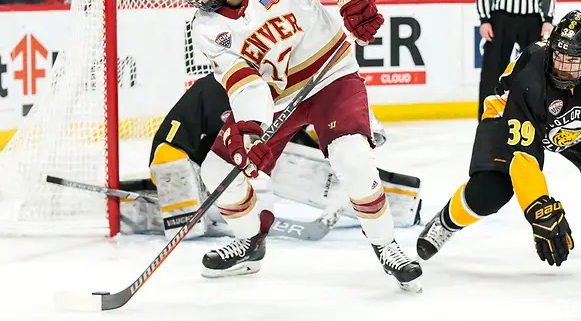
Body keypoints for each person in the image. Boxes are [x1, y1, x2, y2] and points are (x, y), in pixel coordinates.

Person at [172, 0, 423, 291]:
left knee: (351, 158)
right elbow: (243, 81)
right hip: (276, 100)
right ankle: (250, 240)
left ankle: (387, 246)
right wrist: (250, 128)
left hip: (330, 76)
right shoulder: (205, 27)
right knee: (217, 169)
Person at [417, 10, 581, 268]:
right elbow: (524, 156)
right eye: (559, 56)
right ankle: (445, 222)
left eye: (572, 60)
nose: (562, 67)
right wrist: (538, 208)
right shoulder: (531, 74)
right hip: (508, 112)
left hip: (576, 119)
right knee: (490, 191)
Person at [146, 73, 421, 239]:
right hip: (211, 163)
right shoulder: (209, 91)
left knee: (311, 155)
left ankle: (394, 203)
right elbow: (168, 146)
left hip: (267, 153)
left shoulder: (282, 81)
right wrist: (173, 180)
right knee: (182, 165)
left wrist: (362, 127)